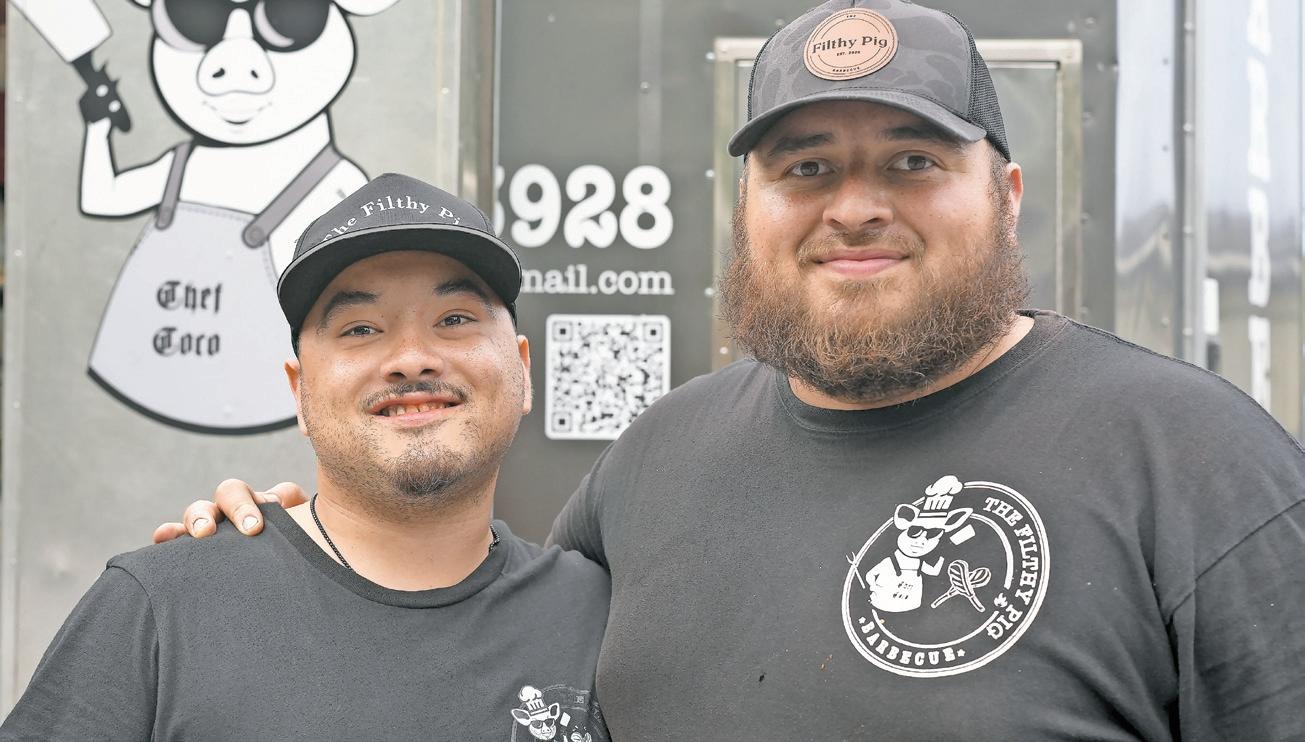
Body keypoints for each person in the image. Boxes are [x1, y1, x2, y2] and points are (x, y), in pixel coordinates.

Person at [159, 0, 1305, 739]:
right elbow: (475, 638)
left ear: (1005, 196)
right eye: (806, 168)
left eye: (912, 160)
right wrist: (291, 557)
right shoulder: (659, 457)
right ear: (749, 206)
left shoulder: (1193, 461)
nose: (854, 207)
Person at [3, 174, 611, 741]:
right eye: (360, 329)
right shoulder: (162, 605)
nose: (411, 358)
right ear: (299, 392)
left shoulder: (600, 617)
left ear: (523, 371)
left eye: (454, 319)